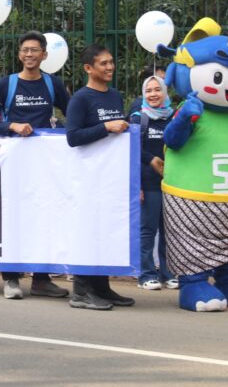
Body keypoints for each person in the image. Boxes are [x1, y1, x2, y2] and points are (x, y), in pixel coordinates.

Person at [0, 31, 71, 300]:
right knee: (13, 220)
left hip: (45, 166)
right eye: (25, 50)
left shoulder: (53, 84)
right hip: (13, 166)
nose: (29, 54)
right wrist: (12, 126)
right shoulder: (5, 85)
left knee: (43, 219)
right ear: (19, 55)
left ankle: (41, 280)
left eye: (35, 50)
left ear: (44, 55)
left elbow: (73, 114)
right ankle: (11, 279)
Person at [64, 43, 135, 310]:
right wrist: (106, 127)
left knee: (104, 230)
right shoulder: (80, 99)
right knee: (88, 230)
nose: (110, 67)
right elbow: (73, 137)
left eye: (111, 62)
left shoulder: (115, 96)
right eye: (103, 63)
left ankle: (101, 287)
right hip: (87, 177)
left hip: (110, 177)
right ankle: (81, 291)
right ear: (88, 68)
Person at [130, 76, 177, 291]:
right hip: (147, 183)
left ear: (165, 93)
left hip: (173, 183)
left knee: (170, 230)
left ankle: (169, 273)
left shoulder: (174, 117)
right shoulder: (139, 119)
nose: (153, 94)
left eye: (157, 90)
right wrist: (136, 184)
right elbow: (132, 151)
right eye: (148, 91)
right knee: (147, 230)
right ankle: (146, 274)